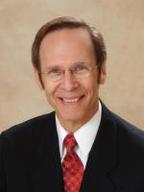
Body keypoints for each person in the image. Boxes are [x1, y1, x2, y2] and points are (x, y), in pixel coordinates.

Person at [0, 16, 144, 192]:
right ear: (39, 78)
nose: (69, 85)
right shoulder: (9, 150)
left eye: (80, 68)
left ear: (102, 71)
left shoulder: (139, 155)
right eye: (55, 71)